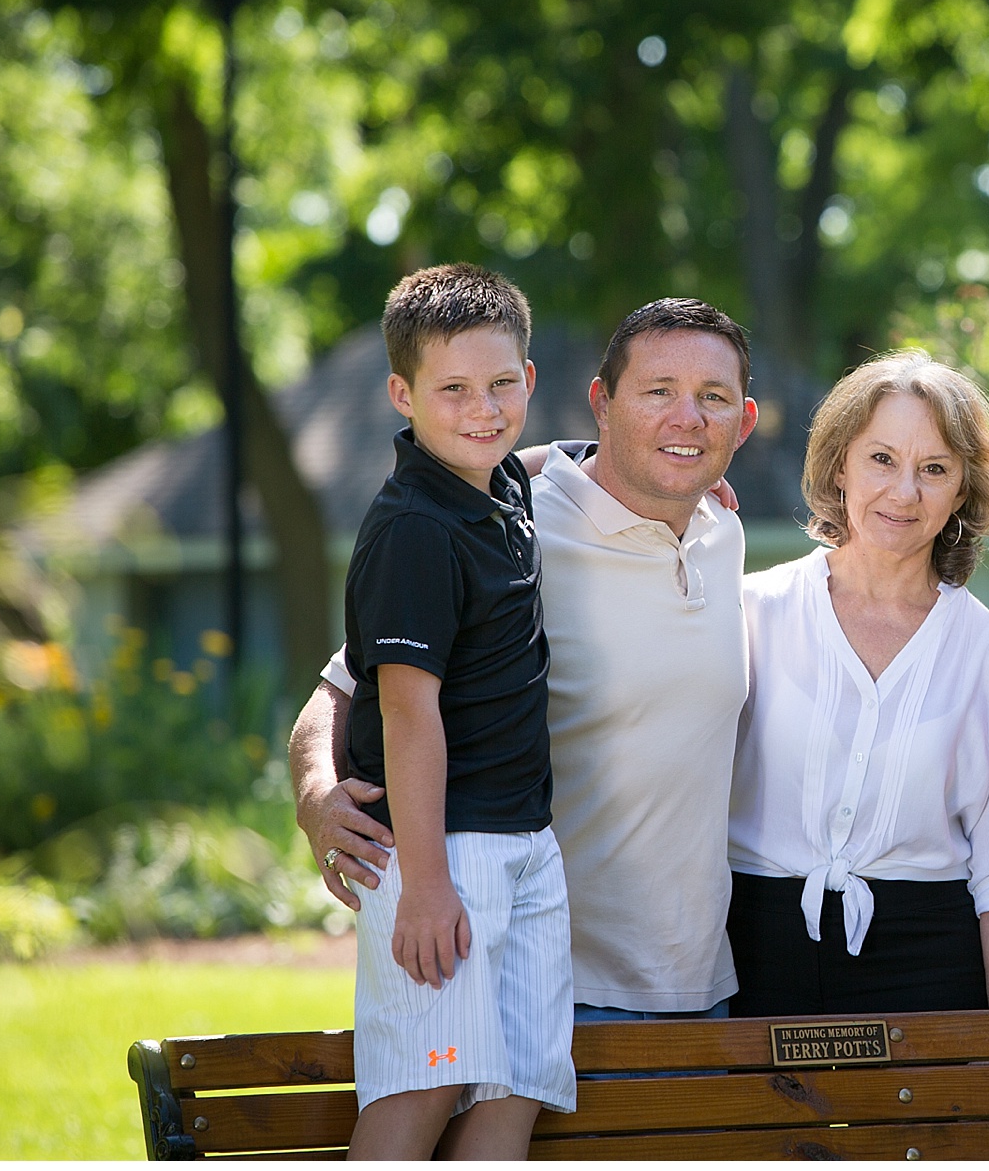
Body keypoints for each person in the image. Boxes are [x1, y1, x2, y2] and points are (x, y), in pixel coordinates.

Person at [291, 296, 760, 1027]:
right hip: (544, 977)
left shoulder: (723, 532)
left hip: (703, 981)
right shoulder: (508, 521)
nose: (687, 418)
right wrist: (320, 794)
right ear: (602, 403)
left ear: (744, 421)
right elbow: (345, 686)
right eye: (658, 392)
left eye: (712, 399)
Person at [726, 350, 989, 1016]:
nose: (905, 492)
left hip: (931, 962)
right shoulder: (748, 613)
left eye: (934, 469)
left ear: (964, 489)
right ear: (840, 462)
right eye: (881, 459)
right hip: (751, 947)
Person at [340, 264, 574, 1159]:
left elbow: (538, 457)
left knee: (515, 1086)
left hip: (527, 843)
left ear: (528, 381)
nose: (483, 409)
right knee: (425, 1080)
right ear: (402, 395)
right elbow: (407, 715)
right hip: (443, 851)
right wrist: (427, 884)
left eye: (501, 384)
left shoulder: (497, 483)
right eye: (453, 391)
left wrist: (633, 467)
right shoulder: (413, 529)